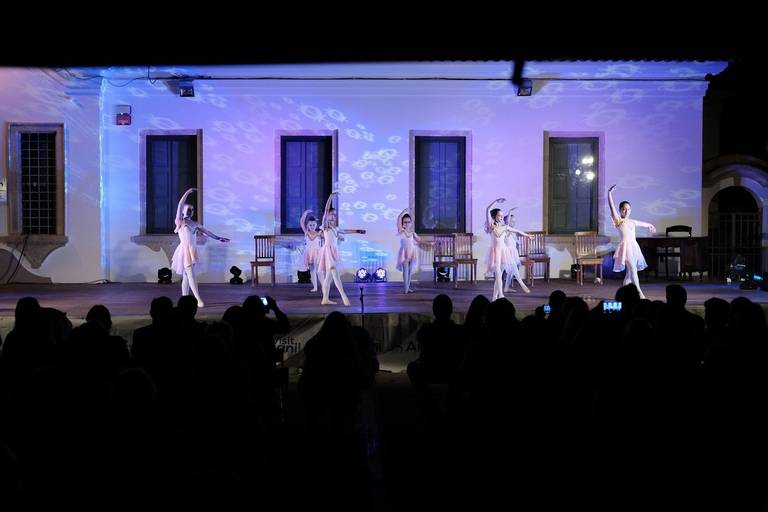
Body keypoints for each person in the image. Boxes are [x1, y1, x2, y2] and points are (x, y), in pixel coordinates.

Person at [171, 188, 230, 308]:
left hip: (192, 250)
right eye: (188, 209)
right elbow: (179, 205)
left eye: (192, 210)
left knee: (187, 276)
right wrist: (186, 193)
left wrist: (218, 238)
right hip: (184, 251)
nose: (190, 211)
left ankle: (184, 299)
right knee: (190, 274)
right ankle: (198, 299)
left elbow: (207, 232)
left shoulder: (195, 224)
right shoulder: (180, 222)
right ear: (183, 211)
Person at [608, 184, 656, 299]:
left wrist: (650, 225)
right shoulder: (618, 220)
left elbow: (642, 223)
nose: (626, 211)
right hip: (625, 248)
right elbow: (611, 207)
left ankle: (623, 294)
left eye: (628, 209)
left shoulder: (632, 221)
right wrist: (609, 193)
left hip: (634, 247)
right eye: (624, 209)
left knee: (629, 274)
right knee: (633, 269)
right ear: (620, 210)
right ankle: (640, 293)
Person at [318, 192, 365, 306]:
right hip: (328, 252)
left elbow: (345, 231)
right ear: (327, 216)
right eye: (332, 214)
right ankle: (344, 297)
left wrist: (357, 231)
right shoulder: (325, 225)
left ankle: (325, 299)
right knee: (335, 274)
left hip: (334, 252)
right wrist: (330, 197)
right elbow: (326, 210)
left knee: (328, 278)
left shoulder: (335, 228)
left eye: (335, 215)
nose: (333, 216)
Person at [485, 198, 532, 301]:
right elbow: (488, 209)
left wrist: (528, 235)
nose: (501, 217)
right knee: (498, 273)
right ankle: (501, 295)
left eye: (502, 216)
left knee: (499, 275)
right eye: (499, 215)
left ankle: (494, 298)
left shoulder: (505, 227)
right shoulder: (491, 226)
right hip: (495, 252)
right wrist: (496, 201)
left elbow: (517, 230)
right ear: (494, 216)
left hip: (504, 252)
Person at [502, 207, 533, 294]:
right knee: (514, 270)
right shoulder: (505, 229)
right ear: (507, 221)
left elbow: (518, 233)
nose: (514, 223)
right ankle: (522, 285)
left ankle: (506, 288)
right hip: (507, 253)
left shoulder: (512, 231)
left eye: (514, 221)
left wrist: (527, 236)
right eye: (512, 221)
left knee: (511, 271)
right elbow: (507, 223)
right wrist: (510, 211)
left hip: (513, 252)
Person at [396, 208, 424, 294]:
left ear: (411, 223)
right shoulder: (401, 231)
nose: (407, 223)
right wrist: (403, 212)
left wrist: (430, 244)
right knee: (405, 271)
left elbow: (420, 241)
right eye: (405, 222)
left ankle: (407, 288)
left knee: (409, 272)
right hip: (404, 253)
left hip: (412, 253)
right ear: (402, 223)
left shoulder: (413, 234)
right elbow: (399, 218)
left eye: (408, 222)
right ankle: (406, 289)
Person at [299, 209, 324, 292]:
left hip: (317, 253)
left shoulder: (319, 233)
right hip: (309, 253)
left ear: (316, 225)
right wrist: (306, 213)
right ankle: (315, 287)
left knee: (319, 270)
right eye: (310, 225)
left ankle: (324, 286)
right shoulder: (306, 232)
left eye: (313, 225)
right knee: (312, 270)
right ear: (307, 225)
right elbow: (302, 221)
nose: (312, 226)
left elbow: (327, 237)